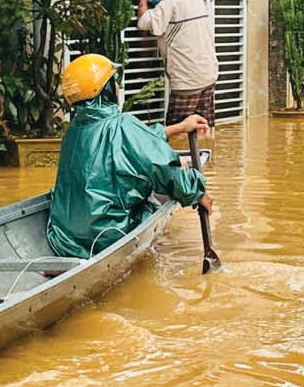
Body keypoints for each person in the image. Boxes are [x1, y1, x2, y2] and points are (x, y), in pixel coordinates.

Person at [47, 53, 214, 259]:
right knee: (150, 200)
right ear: (104, 89)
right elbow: (163, 167)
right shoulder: (121, 125)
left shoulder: (73, 132)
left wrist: (178, 128)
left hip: (64, 239)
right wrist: (198, 192)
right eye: (114, 82)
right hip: (106, 236)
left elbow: (136, 141)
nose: (118, 87)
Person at [136, 0, 218, 133]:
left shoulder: (169, 4)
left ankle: (179, 161)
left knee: (177, 132)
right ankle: (203, 159)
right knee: (202, 130)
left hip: (187, 81)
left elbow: (143, 22)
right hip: (208, 76)